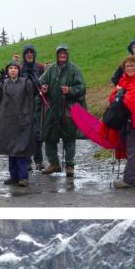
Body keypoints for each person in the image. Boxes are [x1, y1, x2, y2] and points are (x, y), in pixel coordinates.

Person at [103, 55, 135, 189]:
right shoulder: (124, 80)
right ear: (124, 69)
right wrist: (119, 93)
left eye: (133, 65)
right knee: (131, 150)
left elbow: (133, 101)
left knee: (132, 151)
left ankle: (129, 179)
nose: (130, 68)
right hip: (126, 121)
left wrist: (121, 94)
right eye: (127, 66)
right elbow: (113, 97)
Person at [39, 44, 87, 177]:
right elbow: (40, 82)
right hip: (52, 108)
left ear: (67, 55)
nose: (62, 55)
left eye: (64, 53)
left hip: (68, 109)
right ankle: (54, 163)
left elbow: (82, 87)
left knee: (69, 137)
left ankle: (70, 166)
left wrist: (70, 90)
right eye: (60, 53)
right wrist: (43, 87)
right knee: (49, 136)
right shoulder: (51, 69)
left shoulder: (74, 69)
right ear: (57, 54)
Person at [0, 60, 35, 186]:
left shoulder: (26, 82)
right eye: (10, 68)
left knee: (20, 150)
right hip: (8, 121)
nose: (13, 70)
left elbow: (32, 97)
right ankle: (13, 176)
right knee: (11, 150)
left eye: (15, 68)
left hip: (22, 120)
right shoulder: (5, 83)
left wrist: (33, 78)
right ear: (8, 71)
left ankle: (23, 177)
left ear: (19, 70)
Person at [19, 44, 46, 170]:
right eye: (27, 52)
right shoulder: (19, 68)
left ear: (34, 54)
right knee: (25, 134)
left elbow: (46, 82)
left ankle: (39, 161)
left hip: (38, 104)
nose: (29, 54)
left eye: (31, 52)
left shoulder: (40, 67)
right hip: (24, 105)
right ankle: (27, 161)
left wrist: (45, 88)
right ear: (24, 55)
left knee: (37, 134)